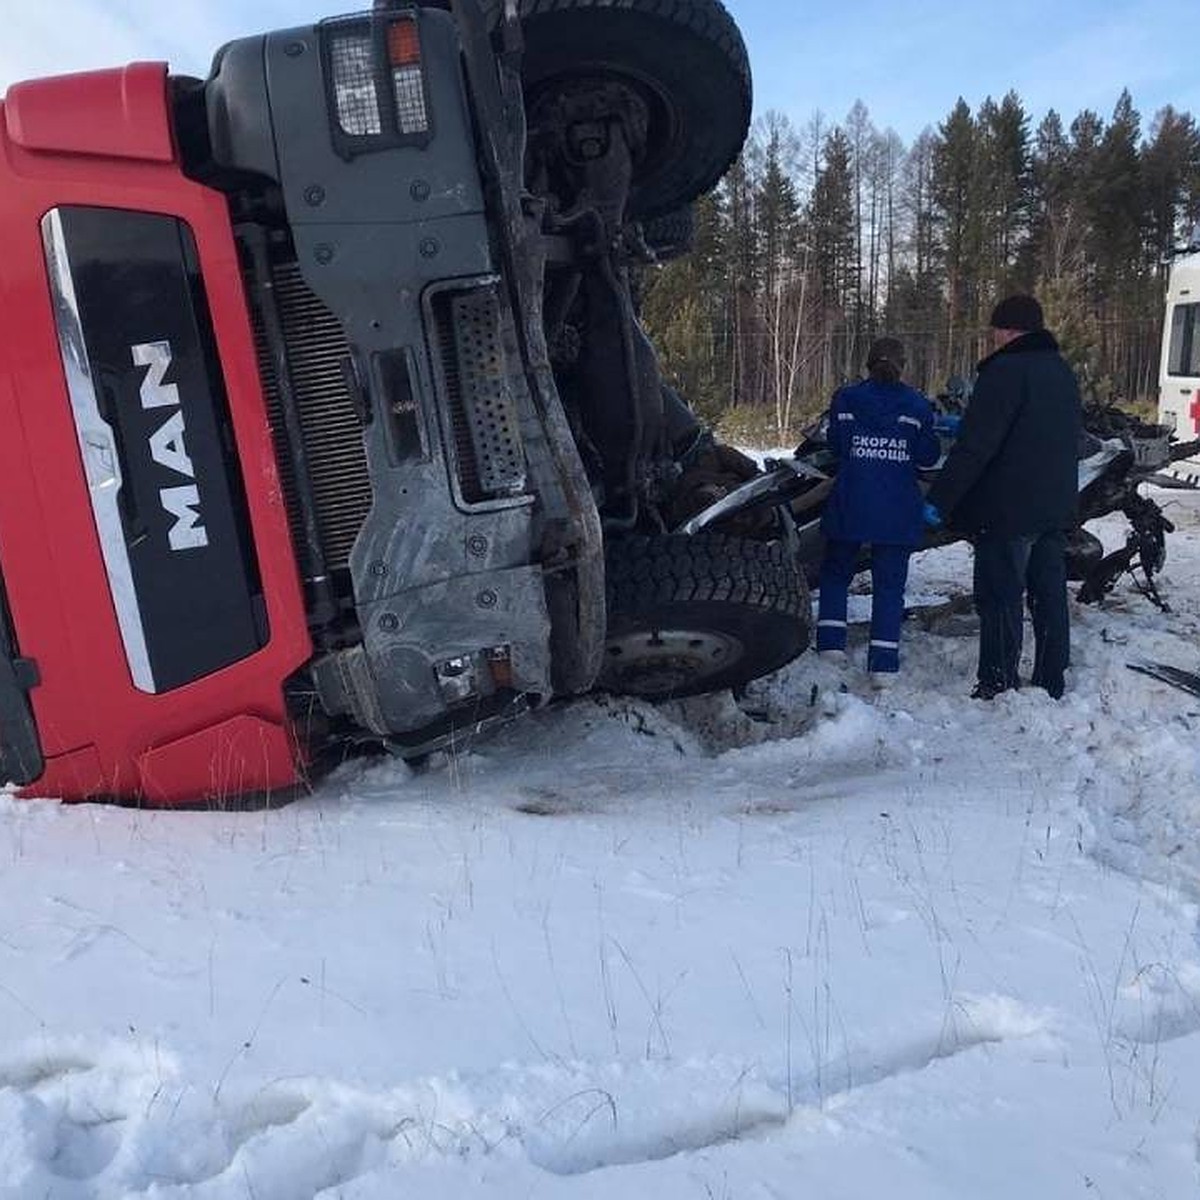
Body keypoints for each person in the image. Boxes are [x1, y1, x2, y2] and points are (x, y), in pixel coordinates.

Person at [925, 295, 1081, 700]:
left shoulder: (1005, 371)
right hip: (1054, 506)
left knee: (1000, 595)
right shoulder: (1061, 372)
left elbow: (977, 448)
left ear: (1009, 330)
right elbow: (1043, 432)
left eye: (996, 329)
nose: (992, 337)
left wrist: (939, 501)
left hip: (1007, 509)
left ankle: (998, 680)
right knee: (1048, 597)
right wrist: (971, 422)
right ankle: (1051, 678)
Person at [816, 337, 941, 685]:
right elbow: (928, 456)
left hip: (852, 499)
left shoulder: (846, 398)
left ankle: (830, 645)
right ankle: (883, 663)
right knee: (889, 585)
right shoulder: (916, 405)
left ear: (867, 364)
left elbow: (836, 443)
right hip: (897, 506)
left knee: (836, 572)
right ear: (903, 366)